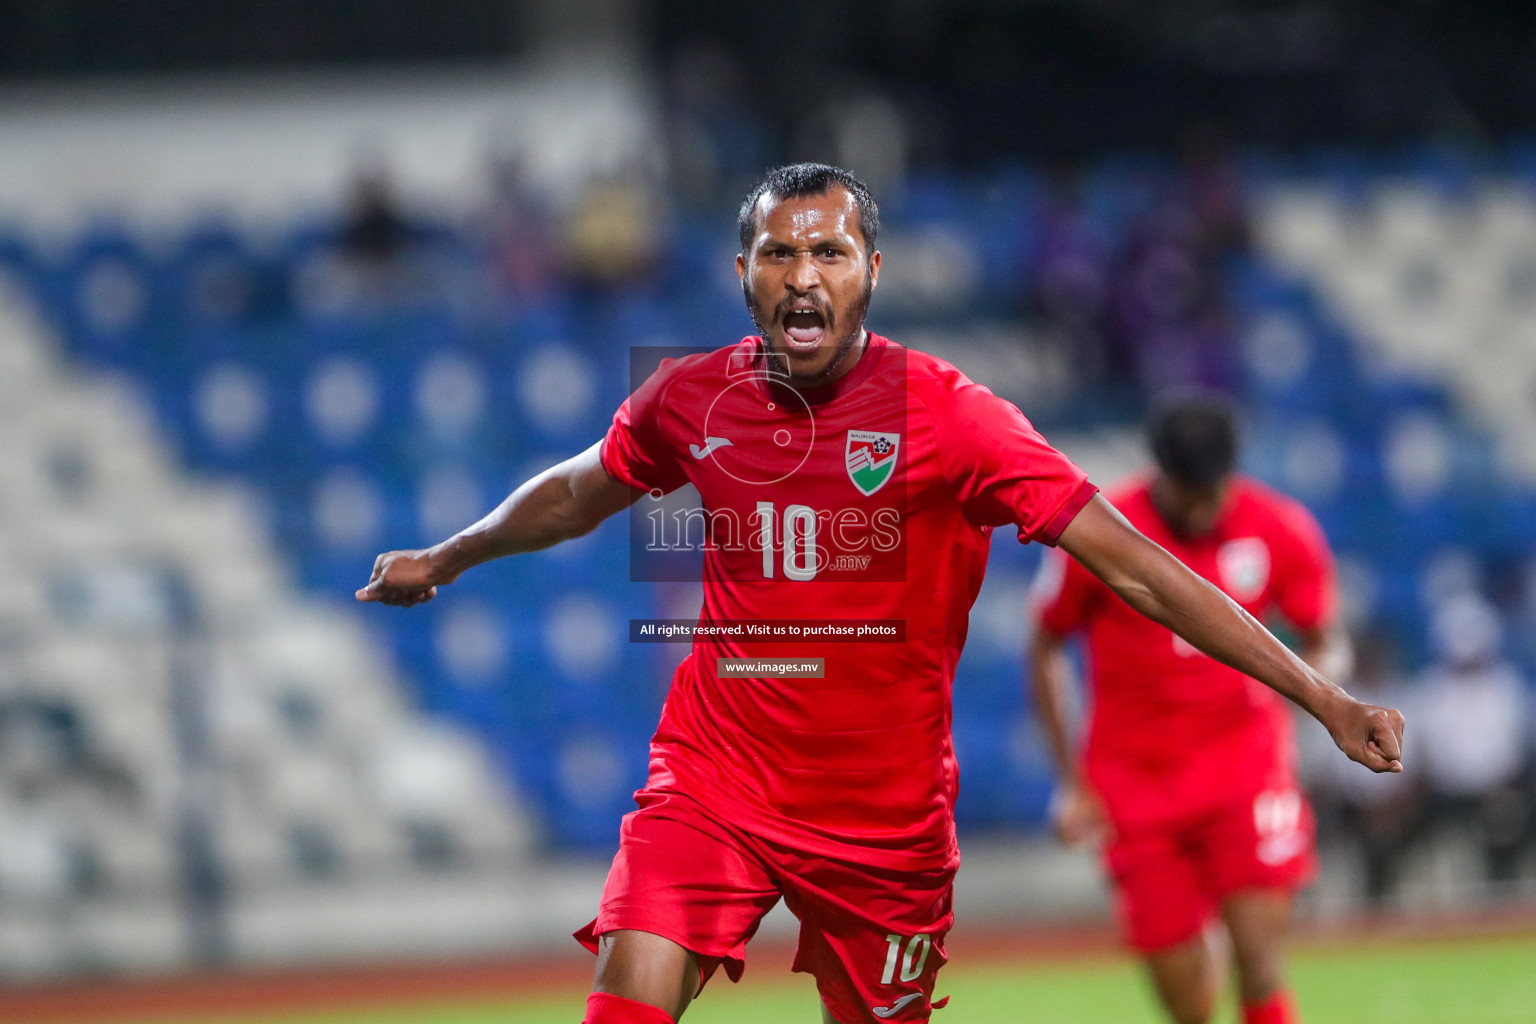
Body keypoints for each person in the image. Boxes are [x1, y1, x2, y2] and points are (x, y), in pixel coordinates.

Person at [356, 165, 1404, 1024]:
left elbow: (1134, 566)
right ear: (743, 272)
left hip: (885, 820)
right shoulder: (690, 395)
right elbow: (577, 493)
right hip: (716, 775)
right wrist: (449, 556)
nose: (802, 273)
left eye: (829, 250)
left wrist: (1321, 694)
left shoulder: (956, 419)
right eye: (779, 251)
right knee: (623, 1002)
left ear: (872, 271)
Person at [1028, 394, 1353, 1024]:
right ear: (1160, 477)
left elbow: (1326, 635)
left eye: (1214, 492)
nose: (1205, 508)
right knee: (1188, 1001)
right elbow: (1044, 643)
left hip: (1244, 767)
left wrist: (1320, 690)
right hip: (1135, 784)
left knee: (1259, 961)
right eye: (1190, 494)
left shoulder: (1277, 526)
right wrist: (1070, 782)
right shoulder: (1105, 531)